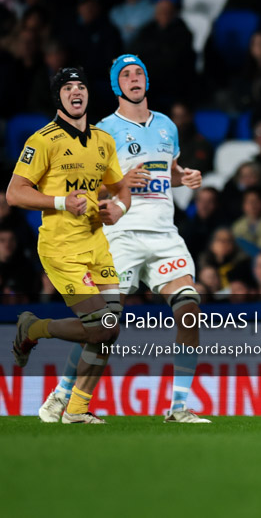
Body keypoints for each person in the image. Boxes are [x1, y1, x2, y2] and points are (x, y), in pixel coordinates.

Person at [35, 55, 212, 424]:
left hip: (164, 234)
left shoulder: (165, 125)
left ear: (146, 82)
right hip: (121, 234)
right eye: (126, 75)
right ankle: (61, 396)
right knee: (105, 323)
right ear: (117, 85)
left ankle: (178, 408)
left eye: (139, 73)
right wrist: (119, 183)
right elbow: (90, 184)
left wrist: (186, 177)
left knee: (189, 309)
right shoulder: (102, 131)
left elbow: (169, 172)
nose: (134, 79)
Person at [8, 67, 139, 424]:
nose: (76, 91)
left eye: (81, 85)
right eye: (68, 87)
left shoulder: (103, 140)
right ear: (59, 97)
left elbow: (120, 187)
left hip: (96, 243)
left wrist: (120, 208)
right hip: (61, 248)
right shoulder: (42, 140)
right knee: (102, 326)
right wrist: (62, 202)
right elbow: (15, 193)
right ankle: (33, 328)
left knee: (109, 328)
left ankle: (77, 410)